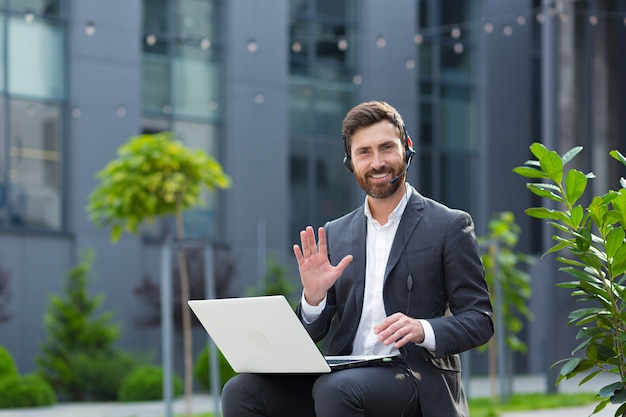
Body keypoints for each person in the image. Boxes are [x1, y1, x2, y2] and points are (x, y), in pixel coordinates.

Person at [221, 100, 494, 417]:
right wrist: (314, 297)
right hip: (342, 373)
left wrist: (423, 329)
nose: (377, 162)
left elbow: (479, 320)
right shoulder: (335, 233)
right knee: (241, 390)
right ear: (350, 161)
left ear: (407, 148)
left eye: (386, 148)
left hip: (415, 377)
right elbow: (314, 332)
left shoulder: (449, 225)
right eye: (364, 152)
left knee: (336, 390)